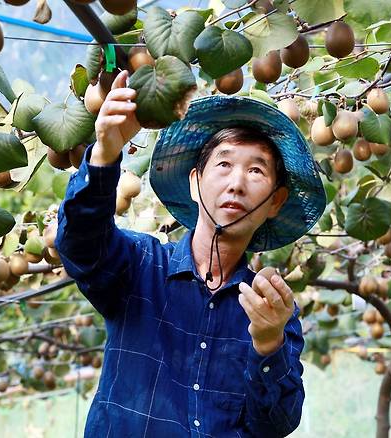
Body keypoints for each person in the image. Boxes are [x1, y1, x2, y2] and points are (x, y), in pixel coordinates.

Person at [55, 70, 326, 437]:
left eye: (257, 170)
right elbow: (79, 245)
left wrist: (268, 343)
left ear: (275, 202)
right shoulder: (139, 265)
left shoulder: (272, 312)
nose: (236, 182)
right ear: (195, 183)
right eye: (224, 164)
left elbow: (275, 424)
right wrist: (105, 153)